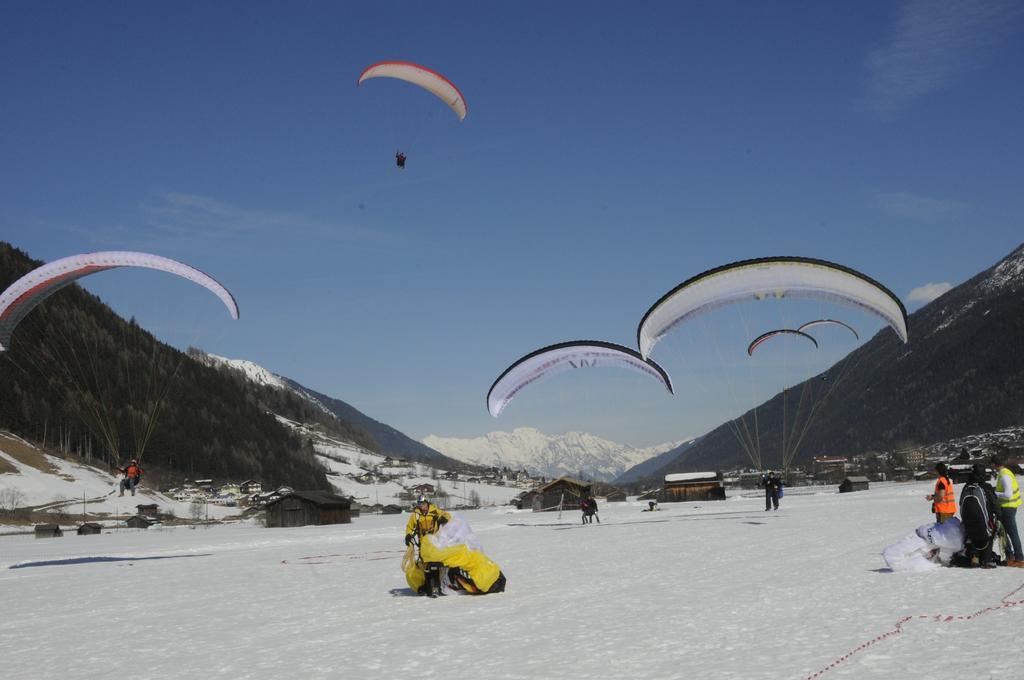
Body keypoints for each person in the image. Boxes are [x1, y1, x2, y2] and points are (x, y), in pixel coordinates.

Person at [404, 495, 452, 597]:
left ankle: (439, 587)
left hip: (435, 543)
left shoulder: (435, 511)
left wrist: (443, 519)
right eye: (420, 504)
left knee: (436, 565)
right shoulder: (415, 515)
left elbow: (447, 516)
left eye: (423, 504)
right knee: (426, 566)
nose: (422, 506)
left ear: (427, 503)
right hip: (423, 545)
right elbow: (409, 527)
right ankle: (428, 587)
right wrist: (408, 535)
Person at [956, 464, 999, 568]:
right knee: (989, 534)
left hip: (968, 521)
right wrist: (999, 515)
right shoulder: (986, 487)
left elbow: (961, 503)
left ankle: (975, 557)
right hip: (985, 521)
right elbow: (995, 504)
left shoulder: (966, 487)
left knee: (972, 536)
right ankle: (987, 560)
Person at [991, 454, 1024, 567]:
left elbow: (1008, 494)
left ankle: (1019, 559)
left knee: (1012, 533)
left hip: (1008, 508)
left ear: (994, 464)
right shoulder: (1004, 473)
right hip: (1007, 507)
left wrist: (995, 493)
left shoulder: (1004, 475)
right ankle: (1010, 557)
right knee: (1003, 533)